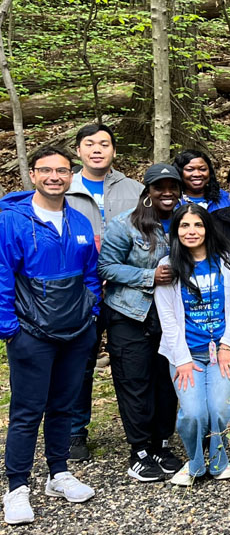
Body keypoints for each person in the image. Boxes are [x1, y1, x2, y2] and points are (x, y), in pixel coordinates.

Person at [1, 146, 101, 525]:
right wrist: (9, 328)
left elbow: (90, 274)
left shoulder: (78, 222)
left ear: (71, 176)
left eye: (62, 171)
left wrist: (91, 313)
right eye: (47, 171)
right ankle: (16, 487)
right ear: (33, 175)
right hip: (31, 332)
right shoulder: (11, 221)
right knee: (27, 411)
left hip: (76, 331)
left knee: (64, 405)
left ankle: (58, 473)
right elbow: (1, 274)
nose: (54, 177)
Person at [98, 163, 186, 483]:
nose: (167, 192)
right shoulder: (125, 226)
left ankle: (162, 445)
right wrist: (150, 276)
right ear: (146, 191)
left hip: (170, 317)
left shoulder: (184, 222)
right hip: (129, 315)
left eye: (172, 186)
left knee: (167, 384)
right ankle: (139, 451)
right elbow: (107, 267)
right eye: (159, 187)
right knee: (135, 383)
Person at [154, 204, 230, 486]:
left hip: (225, 349)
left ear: (207, 228)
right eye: (184, 226)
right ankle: (196, 463)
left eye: (197, 225)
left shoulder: (228, 260)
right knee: (194, 413)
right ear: (176, 231)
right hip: (186, 353)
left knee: (221, 409)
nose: (191, 231)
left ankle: (220, 461)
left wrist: (227, 347)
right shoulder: (167, 267)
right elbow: (168, 319)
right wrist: (182, 359)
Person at [64, 122, 143, 461]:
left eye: (105, 144)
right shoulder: (62, 188)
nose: (97, 149)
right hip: (80, 292)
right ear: (78, 150)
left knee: (132, 364)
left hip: (128, 291)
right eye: (90, 144)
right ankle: (74, 431)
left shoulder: (135, 189)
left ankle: (141, 433)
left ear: (114, 150)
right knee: (79, 362)